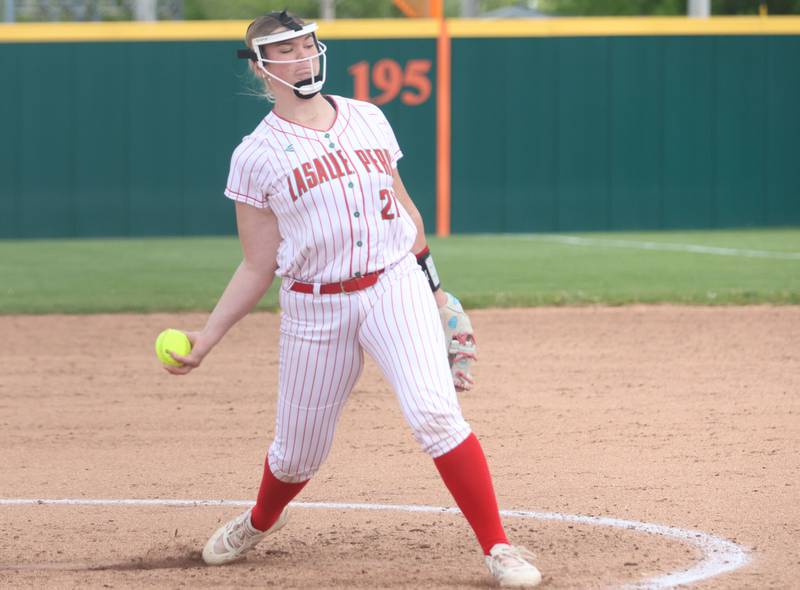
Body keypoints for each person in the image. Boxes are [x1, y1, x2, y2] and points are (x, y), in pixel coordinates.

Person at [163, 10, 541, 588]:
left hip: (393, 284)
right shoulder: (256, 154)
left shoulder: (367, 117)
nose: (302, 56)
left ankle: (499, 548)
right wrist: (206, 338)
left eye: (308, 44)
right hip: (315, 307)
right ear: (262, 69)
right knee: (296, 455)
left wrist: (435, 290)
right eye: (286, 50)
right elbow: (257, 264)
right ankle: (259, 521)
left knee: (435, 415)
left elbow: (406, 211)